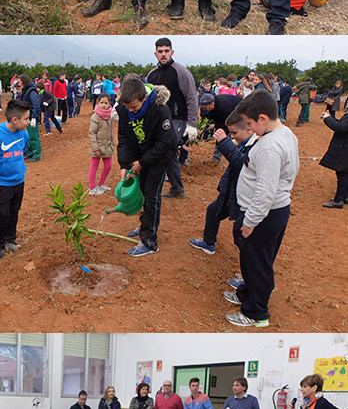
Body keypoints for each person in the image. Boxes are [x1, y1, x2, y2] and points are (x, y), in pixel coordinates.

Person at [227, 89, 299, 327]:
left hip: (264, 215)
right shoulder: (285, 133)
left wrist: (250, 222)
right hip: (271, 212)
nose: (248, 128)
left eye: (249, 123)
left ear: (263, 119)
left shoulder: (269, 147)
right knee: (251, 259)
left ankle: (256, 313)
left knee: (258, 263)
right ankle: (246, 293)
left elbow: (265, 192)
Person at [117, 76, 178, 256]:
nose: (130, 111)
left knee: (152, 195)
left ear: (144, 98)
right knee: (142, 191)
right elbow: (124, 139)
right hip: (140, 156)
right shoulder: (123, 109)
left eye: (134, 107)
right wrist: (124, 164)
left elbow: (164, 143)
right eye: (128, 108)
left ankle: (149, 241)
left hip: (160, 157)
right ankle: (145, 224)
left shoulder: (160, 110)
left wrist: (142, 163)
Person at [189, 111, 258, 255]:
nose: (232, 136)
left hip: (247, 197)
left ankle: (249, 274)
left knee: (242, 235)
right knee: (213, 210)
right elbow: (232, 167)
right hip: (233, 190)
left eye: (234, 132)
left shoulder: (257, 146)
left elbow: (242, 164)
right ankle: (208, 243)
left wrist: (225, 143)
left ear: (249, 129)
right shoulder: (242, 142)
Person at [146, 39, 199, 199]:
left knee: (165, 151)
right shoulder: (152, 74)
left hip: (178, 119)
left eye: (166, 51)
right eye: (160, 51)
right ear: (156, 54)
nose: (163, 54)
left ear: (172, 52)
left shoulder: (181, 72)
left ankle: (159, 187)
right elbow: (148, 98)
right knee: (168, 153)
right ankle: (177, 189)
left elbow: (191, 97)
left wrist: (192, 124)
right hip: (158, 120)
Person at [0, 98, 30, 265]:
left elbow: (24, 149)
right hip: (2, 184)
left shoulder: (24, 133)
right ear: (15, 120)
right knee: (2, 215)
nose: (28, 122)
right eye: (26, 119)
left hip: (19, 181)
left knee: (14, 212)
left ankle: (10, 240)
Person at [319, 104, 348, 209]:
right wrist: (331, 118)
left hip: (344, 149)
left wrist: (327, 118)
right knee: (345, 173)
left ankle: (339, 199)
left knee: (342, 173)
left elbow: (340, 127)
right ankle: (344, 197)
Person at [88, 93, 115, 195]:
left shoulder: (109, 116)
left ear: (110, 104)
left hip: (107, 146)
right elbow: (92, 133)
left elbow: (111, 131)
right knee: (94, 166)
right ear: (98, 103)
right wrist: (95, 148)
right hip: (97, 146)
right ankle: (92, 187)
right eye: (101, 102)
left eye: (106, 103)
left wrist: (112, 143)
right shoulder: (95, 116)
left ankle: (101, 184)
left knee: (108, 166)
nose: (104, 105)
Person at [16, 74, 42, 161]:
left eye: (20, 82)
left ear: (24, 82)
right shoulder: (26, 90)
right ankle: (30, 152)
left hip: (31, 117)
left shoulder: (32, 91)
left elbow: (36, 105)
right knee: (28, 136)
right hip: (27, 117)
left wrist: (34, 117)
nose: (19, 84)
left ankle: (36, 155)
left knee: (33, 136)